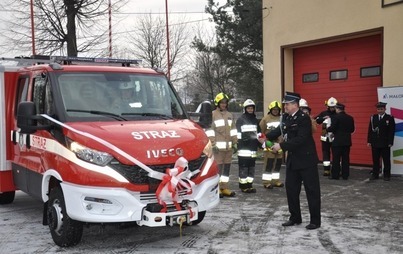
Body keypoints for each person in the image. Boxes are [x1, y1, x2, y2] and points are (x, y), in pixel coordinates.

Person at [267, 91, 321, 230]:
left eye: (287, 104)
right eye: (285, 104)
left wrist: (281, 146)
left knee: (312, 191)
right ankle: (295, 217)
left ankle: (315, 221)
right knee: (291, 189)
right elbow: (279, 131)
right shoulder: (286, 117)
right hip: (293, 160)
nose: (285, 106)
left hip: (307, 160)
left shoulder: (304, 118)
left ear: (295, 104)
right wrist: (262, 137)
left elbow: (301, 139)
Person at [205, 92, 238, 197]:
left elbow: (233, 130)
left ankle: (225, 187)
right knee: (217, 169)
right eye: (222, 103)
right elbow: (210, 131)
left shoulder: (229, 115)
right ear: (217, 103)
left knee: (227, 168)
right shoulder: (213, 114)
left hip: (228, 148)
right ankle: (217, 188)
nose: (224, 105)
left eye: (225, 103)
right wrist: (213, 144)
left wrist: (235, 142)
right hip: (218, 148)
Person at [236, 99, 261, 193]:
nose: (250, 110)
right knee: (244, 167)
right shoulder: (241, 120)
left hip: (253, 148)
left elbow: (258, 133)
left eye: (252, 108)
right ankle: (243, 186)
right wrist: (240, 142)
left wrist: (260, 143)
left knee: (252, 167)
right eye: (248, 108)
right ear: (245, 109)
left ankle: (250, 185)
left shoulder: (255, 120)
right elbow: (237, 134)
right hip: (243, 149)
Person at [367, 102, 396, 181]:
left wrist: (390, 142)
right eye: (378, 109)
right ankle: (375, 174)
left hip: (385, 143)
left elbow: (391, 131)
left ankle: (387, 175)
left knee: (386, 160)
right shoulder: (373, 117)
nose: (379, 111)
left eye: (381, 109)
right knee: (375, 160)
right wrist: (369, 141)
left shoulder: (389, 118)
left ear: (385, 109)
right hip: (375, 142)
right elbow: (370, 130)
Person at [259, 100, 284, 189]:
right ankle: (266, 182)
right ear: (271, 109)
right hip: (269, 145)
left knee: (278, 163)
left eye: (277, 109)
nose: (276, 111)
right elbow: (260, 134)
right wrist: (264, 144)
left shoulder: (282, 118)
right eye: (274, 109)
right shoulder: (265, 119)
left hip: (279, 145)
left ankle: (275, 181)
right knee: (269, 164)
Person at [327, 103, 355, 180]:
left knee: (336, 159)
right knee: (345, 159)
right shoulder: (350, 118)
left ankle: (335, 175)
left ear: (338, 109)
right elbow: (352, 129)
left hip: (337, 141)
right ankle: (345, 175)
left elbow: (332, 128)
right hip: (347, 141)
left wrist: (327, 128)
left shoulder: (336, 117)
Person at [315, 97, 338, 176]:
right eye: (331, 107)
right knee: (325, 153)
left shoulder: (338, 113)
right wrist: (323, 118)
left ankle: (336, 168)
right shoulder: (324, 113)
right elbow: (316, 120)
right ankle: (326, 170)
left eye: (333, 107)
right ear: (328, 106)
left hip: (334, 136)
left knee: (336, 153)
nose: (332, 108)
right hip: (325, 137)